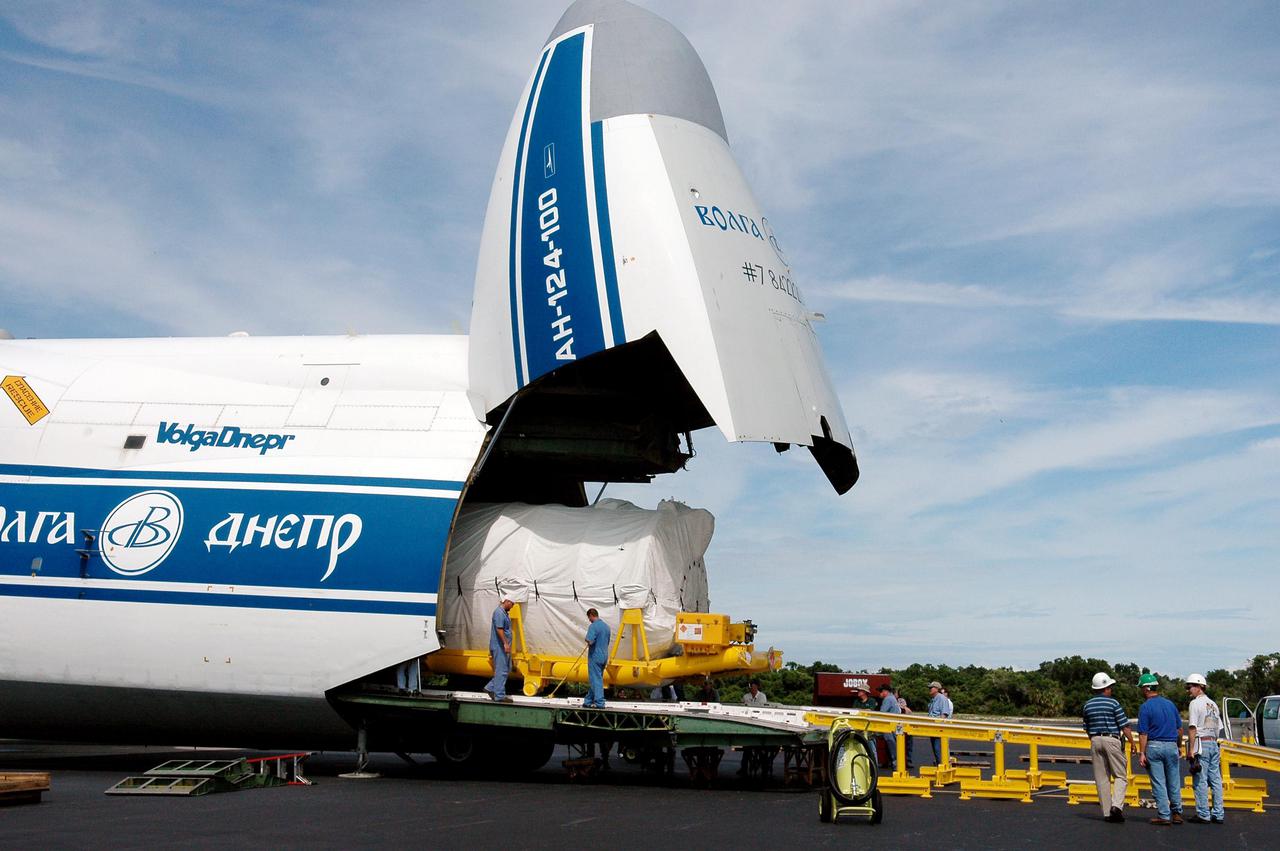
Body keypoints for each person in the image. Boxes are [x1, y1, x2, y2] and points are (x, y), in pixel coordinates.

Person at [1082, 672, 1135, 823]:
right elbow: (1124, 726)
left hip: (1095, 740)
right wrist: (1132, 742)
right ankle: (1116, 807)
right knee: (1120, 775)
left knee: (1101, 778)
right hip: (1111, 739)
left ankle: (1106, 812)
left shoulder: (1088, 705)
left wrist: (1093, 739)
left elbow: (1086, 726)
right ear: (1106, 688)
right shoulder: (1113, 703)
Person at [1137, 673, 1184, 825]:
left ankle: (1164, 814)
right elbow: (1179, 729)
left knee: (1158, 782)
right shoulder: (1170, 704)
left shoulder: (1145, 707)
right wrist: (1179, 746)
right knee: (1174, 780)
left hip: (1155, 746)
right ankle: (1177, 812)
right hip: (1171, 746)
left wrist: (1142, 753)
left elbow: (1143, 733)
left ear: (1146, 689)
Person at [1185, 673, 1226, 824]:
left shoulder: (1195, 704)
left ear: (1199, 687)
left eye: (1190, 687)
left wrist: (1191, 750)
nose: (1189, 690)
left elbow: (1192, 727)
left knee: (1200, 779)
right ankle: (1218, 813)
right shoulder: (1213, 705)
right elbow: (1219, 727)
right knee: (1215, 779)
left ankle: (1203, 813)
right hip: (1214, 743)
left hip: (1201, 743)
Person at [484, 598, 515, 701]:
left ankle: (490, 687)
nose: (513, 606)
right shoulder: (499, 613)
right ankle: (499, 696)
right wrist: (505, 643)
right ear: (507, 602)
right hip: (499, 646)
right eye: (512, 604)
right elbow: (499, 629)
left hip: (503, 647)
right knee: (501, 670)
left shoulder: (504, 613)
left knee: (506, 669)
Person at [583, 607, 611, 708]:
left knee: (596, 679)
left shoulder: (593, 626)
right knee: (596, 678)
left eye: (589, 618)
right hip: (604, 655)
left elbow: (590, 640)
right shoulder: (606, 627)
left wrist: (587, 640)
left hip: (595, 656)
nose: (589, 620)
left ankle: (600, 702)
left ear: (591, 615)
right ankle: (588, 700)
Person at [877, 682, 903, 771]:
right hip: (897, 724)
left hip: (890, 726)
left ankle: (896, 764)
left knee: (891, 744)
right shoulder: (893, 698)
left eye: (880, 691)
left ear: (885, 691)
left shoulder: (887, 699)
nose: (879, 693)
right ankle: (895, 762)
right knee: (895, 744)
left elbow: (882, 713)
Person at [927, 680, 951, 765]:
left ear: (937, 689)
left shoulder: (941, 698)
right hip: (932, 728)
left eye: (931, 687)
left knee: (938, 749)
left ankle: (942, 765)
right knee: (935, 748)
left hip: (938, 729)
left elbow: (944, 714)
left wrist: (939, 728)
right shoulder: (933, 699)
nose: (929, 689)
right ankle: (939, 764)